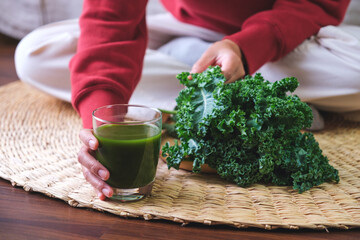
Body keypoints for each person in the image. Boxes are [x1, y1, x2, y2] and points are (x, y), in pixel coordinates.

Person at [15, 0, 360, 200]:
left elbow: (317, 4)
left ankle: (208, 78)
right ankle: (247, 90)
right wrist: (100, 118)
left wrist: (245, 46)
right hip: (182, 28)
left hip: (282, 36)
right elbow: (111, 17)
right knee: (34, 55)